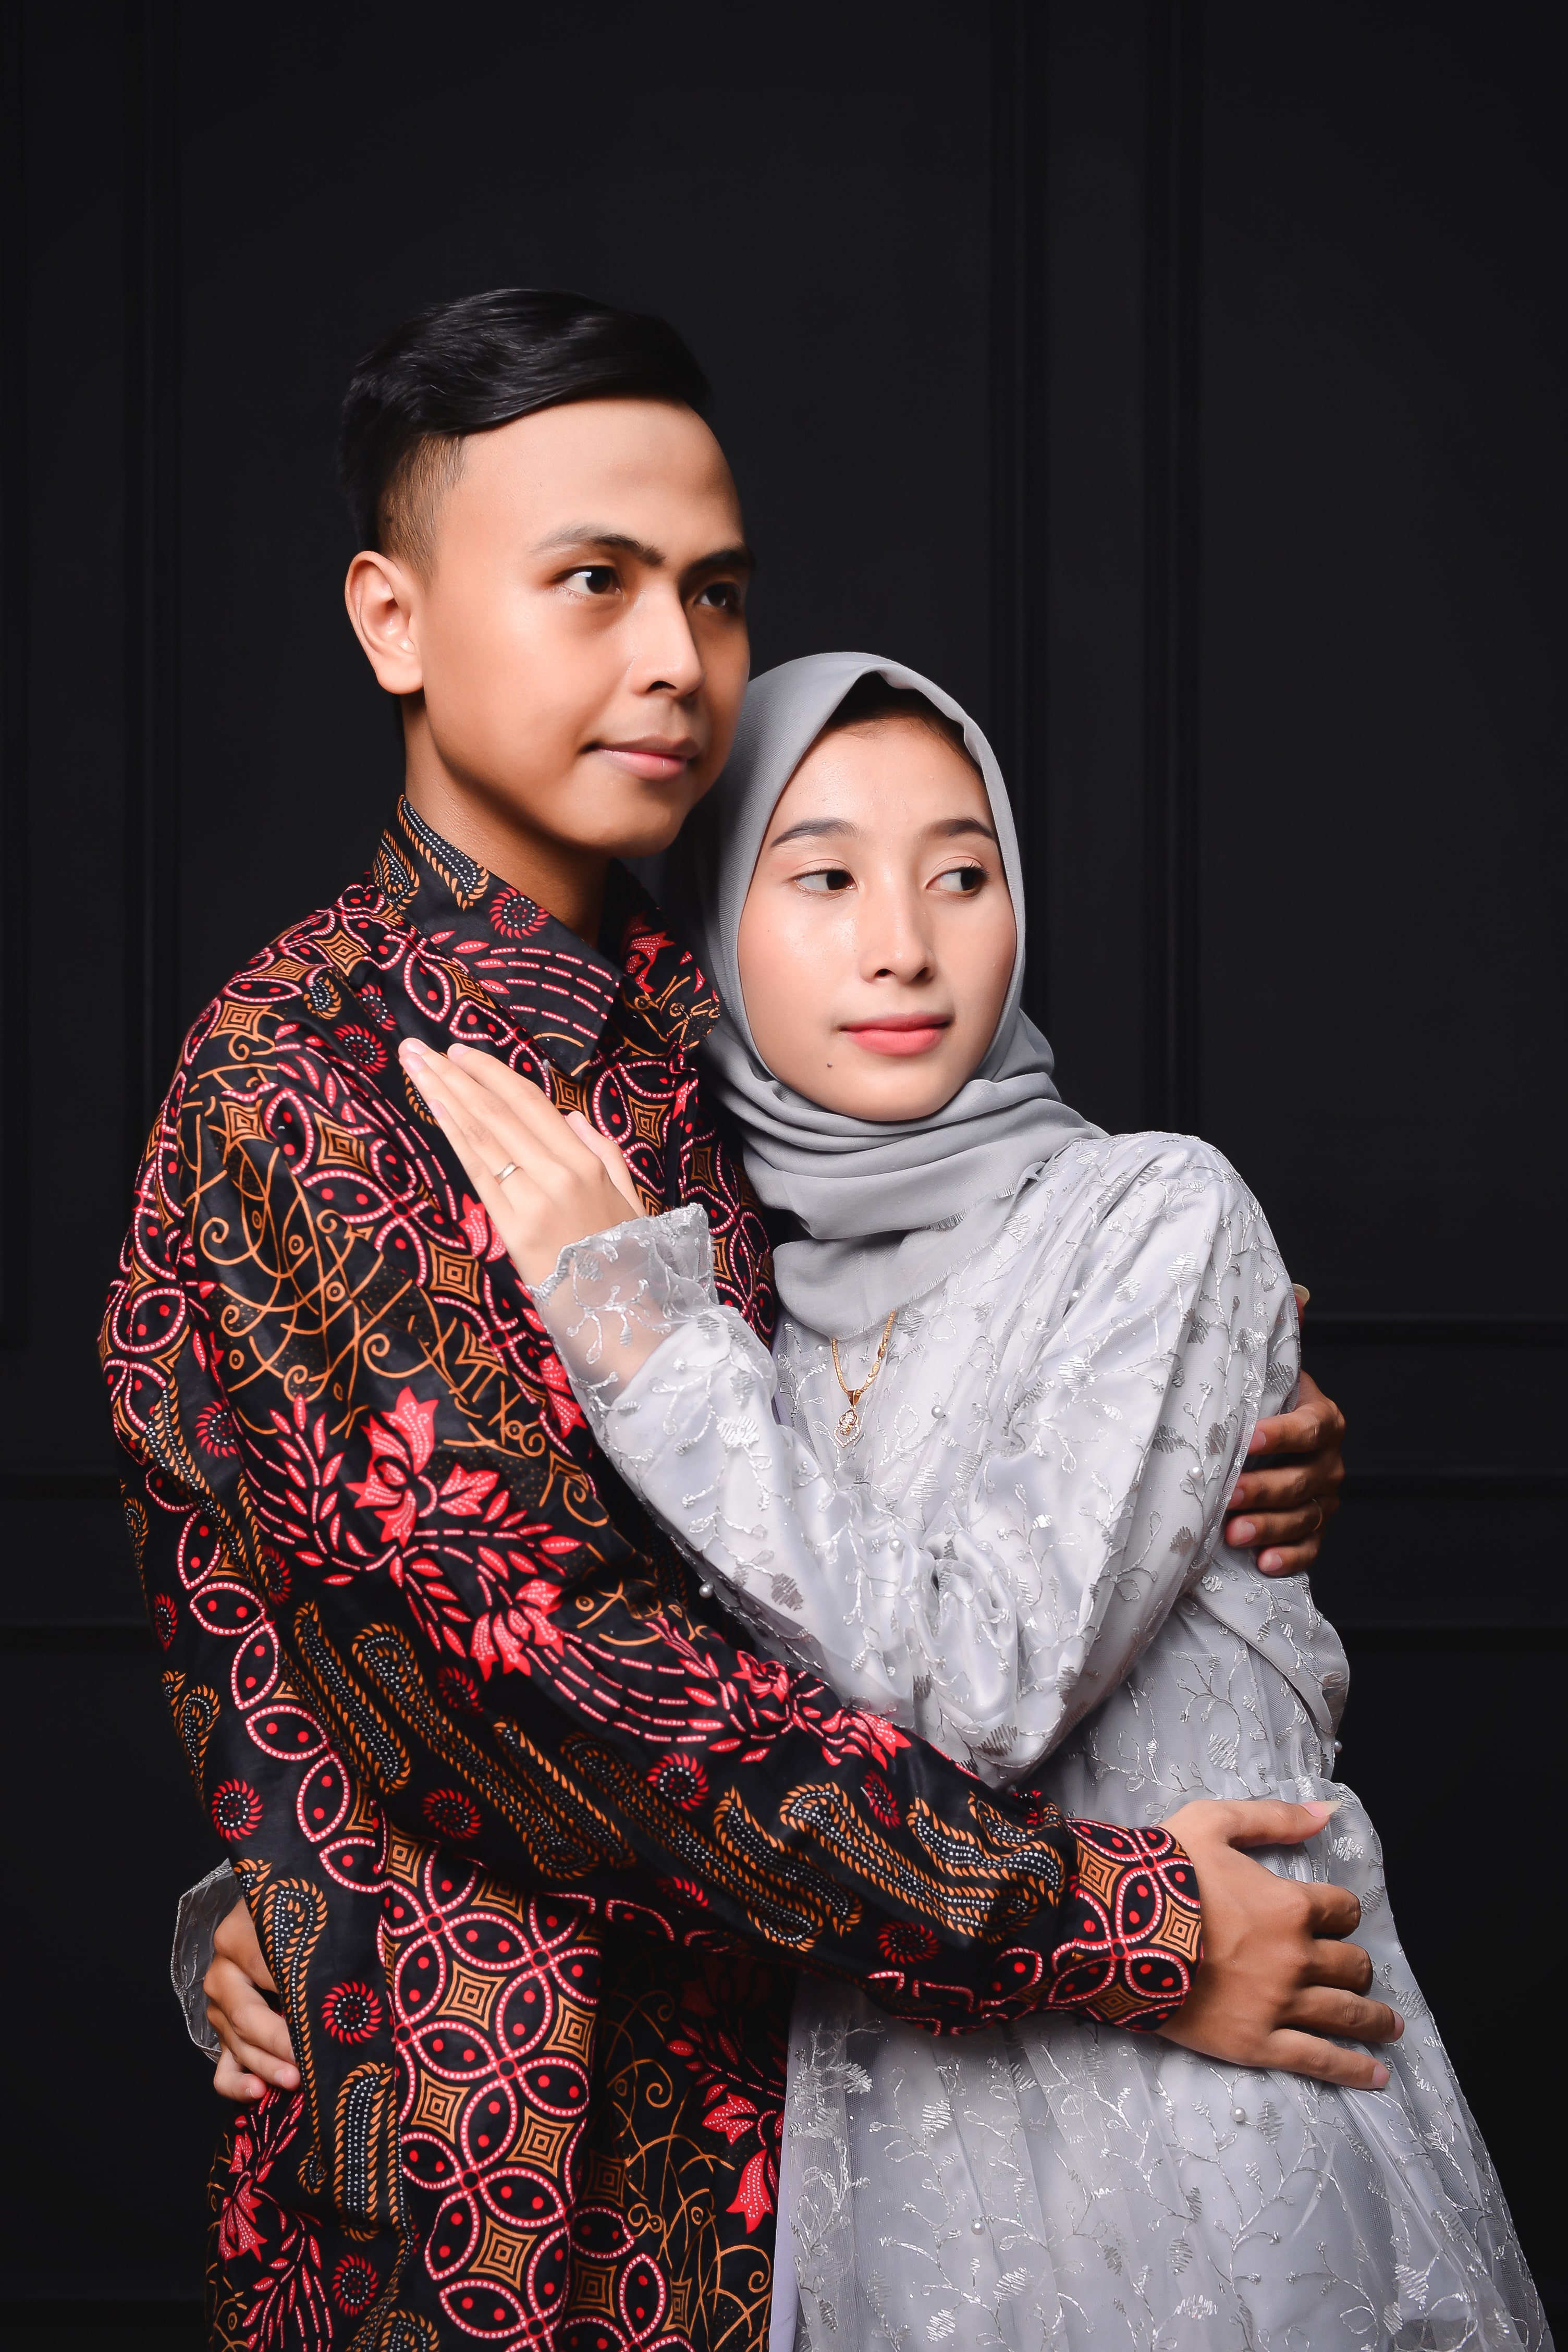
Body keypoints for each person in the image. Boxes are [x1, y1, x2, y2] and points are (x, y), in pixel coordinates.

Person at [112, 289, 1370, 2352]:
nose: (674, 658)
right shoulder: (307, 1086)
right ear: (392, 619)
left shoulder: (732, 1029)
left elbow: (951, 1363)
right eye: (591, 581)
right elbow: (557, 1701)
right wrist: (1131, 1923)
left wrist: (1247, 1403)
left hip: (855, 2165)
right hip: (508, 2185)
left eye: (712, 591)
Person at [404, 652, 1550, 2351]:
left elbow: (986, 1681)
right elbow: (617, 1703)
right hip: (892, 2178)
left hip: (1209, 2140)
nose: (904, 945)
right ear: (715, 930)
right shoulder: (743, 1310)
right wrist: (295, 1908)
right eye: (824, 879)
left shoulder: (1154, 1216)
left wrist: (638, 1332)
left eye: (962, 871)